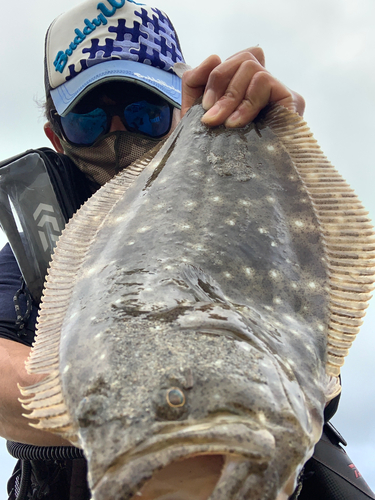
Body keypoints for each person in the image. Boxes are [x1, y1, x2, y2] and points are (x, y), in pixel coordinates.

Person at [0, 0, 373, 499]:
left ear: (179, 112)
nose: (118, 135)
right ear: (57, 136)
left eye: (143, 111)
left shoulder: (246, 219)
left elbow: (320, 370)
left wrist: (272, 149)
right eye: (89, 119)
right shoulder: (21, 264)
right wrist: (152, 403)